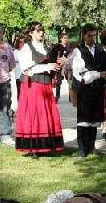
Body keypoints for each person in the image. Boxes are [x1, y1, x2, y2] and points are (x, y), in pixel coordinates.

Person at [15, 22, 64, 155]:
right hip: (32, 85)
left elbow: (51, 67)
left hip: (45, 85)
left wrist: (58, 64)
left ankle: (46, 145)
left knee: (45, 114)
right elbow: (27, 69)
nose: (41, 32)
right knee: (34, 115)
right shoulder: (26, 48)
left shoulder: (46, 48)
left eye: (41, 30)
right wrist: (49, 66)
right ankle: (33, 147)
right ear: (31, 33)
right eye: (37, 31)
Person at [72, 24, 106, 157]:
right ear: (83, 35)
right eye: (89, 35)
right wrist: (99, 74)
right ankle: (82, 149)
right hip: (85, 89)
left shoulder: (100, 50)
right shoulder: (78, 51)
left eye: (94, 35)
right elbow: (82, 73)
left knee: (94, 119)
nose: (92, 38)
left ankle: (92, 147)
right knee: (84, 119)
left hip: (98, 89)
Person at [49, 32, 69, 102]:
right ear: (61, 39)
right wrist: (57, 61)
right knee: (58, 82)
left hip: (67, 67)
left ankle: (71, 97)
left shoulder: (69, 47)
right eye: (64, 38)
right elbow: (51, 56)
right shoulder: (56, 47)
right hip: (59, 66)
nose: (66, 39)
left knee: (70, 81)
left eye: (67, 38)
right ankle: (57, 97)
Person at [13, 35, 25, 100]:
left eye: (23, 42)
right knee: (19, 91)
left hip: (26, 74)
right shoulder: (15, 52)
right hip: (18, 75)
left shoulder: (26, 51)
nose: (22, 43)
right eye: (21, 42)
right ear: (18, 43)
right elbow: (15, 60)